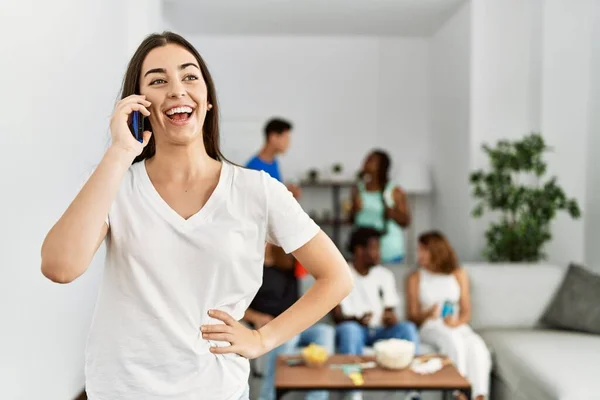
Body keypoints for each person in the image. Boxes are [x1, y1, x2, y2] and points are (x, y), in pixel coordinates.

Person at [40, 31, 353, 400]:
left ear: (208, 102)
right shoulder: (117, 185)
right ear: (138, 104)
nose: (176, 90)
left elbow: (336, 278)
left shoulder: (257, 190)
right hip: (123, 388)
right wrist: (119, 151)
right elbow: (60, 267)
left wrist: (261, 339)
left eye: (189, 76)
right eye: (158, 81)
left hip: (217, 389)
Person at [245, 126, 334, 400]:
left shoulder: (290, 261)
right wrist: (259, 320)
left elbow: (327, 283)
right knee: (287, 339)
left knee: (323, 336)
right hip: (272, 325)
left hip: (291, 321)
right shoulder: (254, 171)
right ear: (274, 136)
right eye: (286, 136)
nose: (289, 143)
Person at [334, 228, 419, 400]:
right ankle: (353, 394)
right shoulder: (341, 274)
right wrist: (356, 320)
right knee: (349, 329)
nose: (379, 253)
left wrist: (390, 318)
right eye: (375, 248)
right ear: (359, 250)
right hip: (356, 330)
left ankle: (413, 391)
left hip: (381, 331)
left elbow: (389, 309)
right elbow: (337, 315)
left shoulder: (385, 275)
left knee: (407, 328)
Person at [406, 231, 491, 400]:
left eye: (423, 250)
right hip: (431, 326)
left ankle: (479, 396)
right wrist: (428, 313)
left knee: (477, 347)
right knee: (454, 342)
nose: (419, 255)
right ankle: (458, 394)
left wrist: (456, 322)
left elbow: (466, 311)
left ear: (436, 251)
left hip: (457, 325)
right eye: (419, 250)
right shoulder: (416, 277)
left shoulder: (458, 274)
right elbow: (412, 316)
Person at [349, 149, 410, 264]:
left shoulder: (394, 190)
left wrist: (391, 213)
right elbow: (351, 220)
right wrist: (354, 210)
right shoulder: (358, 188)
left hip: (388, 249)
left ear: (382, 166)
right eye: (366, 159)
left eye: (371, 160)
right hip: (364, 251)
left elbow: (406, 221)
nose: (365, 162)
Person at [245, 117, 301, 199]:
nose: (288, 144)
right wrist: (287, 193)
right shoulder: (254, 168)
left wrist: (287, 191)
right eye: (286, 138)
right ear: (273, 137)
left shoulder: (274, 162)